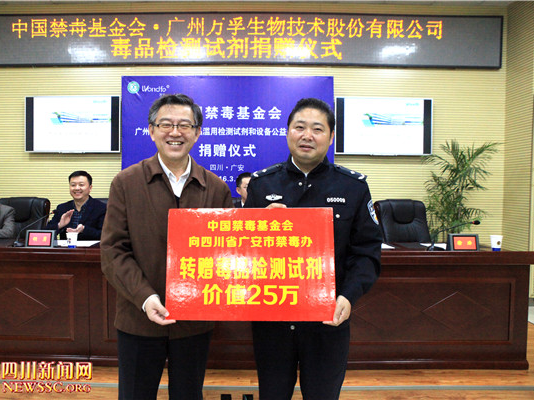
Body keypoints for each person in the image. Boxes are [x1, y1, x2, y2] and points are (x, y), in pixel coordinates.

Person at [244, 98, 382, 400]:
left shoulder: (353, 187)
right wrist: (257, 229)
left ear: (330, 138)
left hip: (328, 320)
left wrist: (348, 296)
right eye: (300, 127)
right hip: (273, 320)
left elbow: (367, 253)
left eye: (317, 129)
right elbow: (241, 253)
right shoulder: (261, 184)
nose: (307, 135)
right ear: (287, 133)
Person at [101, 93, 233, 400]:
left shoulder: (216, 188)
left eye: (185, 125)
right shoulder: (126, 182)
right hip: (138, 317)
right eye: (166, 124)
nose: (175, 132)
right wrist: (146, 298)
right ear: (151, 131)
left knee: (188, 394)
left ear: (197, 133)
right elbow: (113, 251)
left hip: (194, 322)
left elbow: (227, 253)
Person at [45, 171, 106, 240]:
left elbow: (105, 234)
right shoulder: (62, 208)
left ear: (90, 188)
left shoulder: (101, 208)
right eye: (73, 185)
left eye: (81, 185)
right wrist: (60, 225)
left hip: (91, 247)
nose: (77, 188)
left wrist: (84, 229)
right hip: (66, 247)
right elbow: (45, 233)